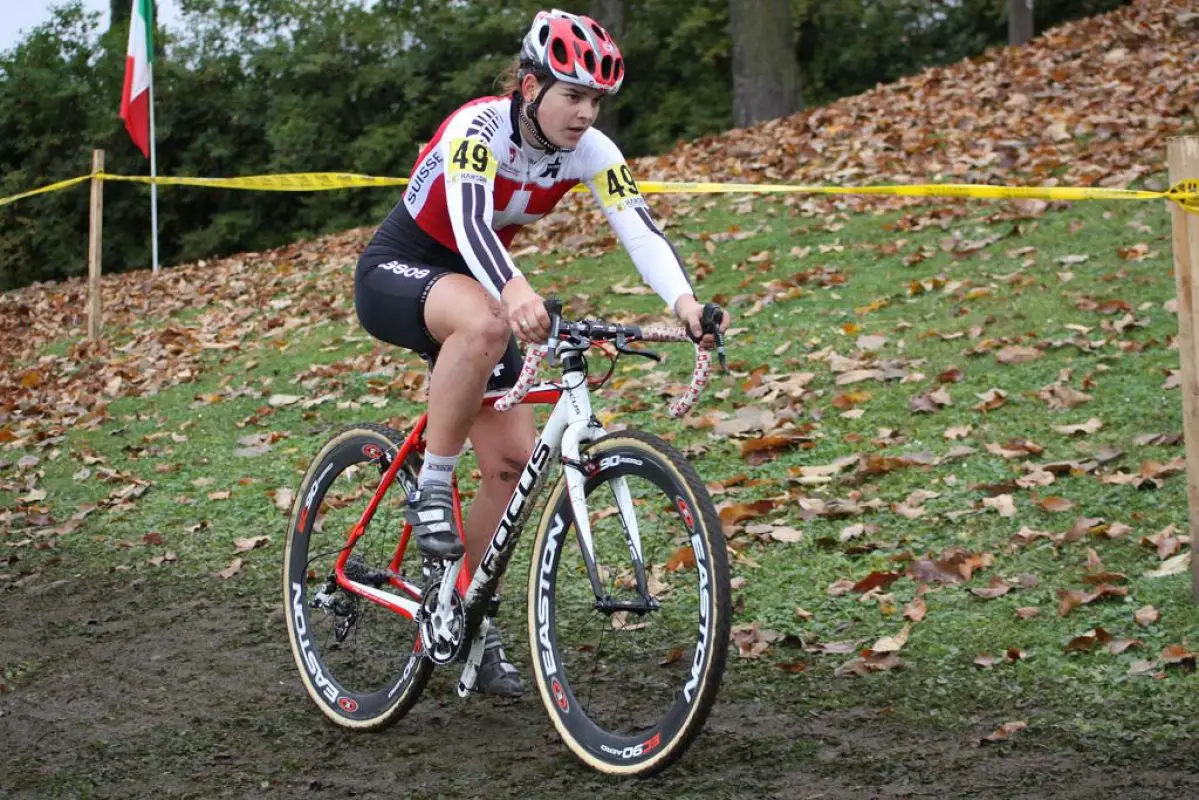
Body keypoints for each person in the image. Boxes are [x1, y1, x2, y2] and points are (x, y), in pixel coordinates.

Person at [353, 8, 731, 698]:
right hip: (399, 271)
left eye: (596, 100)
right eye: (572, 95)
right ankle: (432, 488)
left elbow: (639, 230)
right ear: (529, 85)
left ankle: (462, 616)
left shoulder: (592, 153)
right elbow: (467, 217)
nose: (585, 114)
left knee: (509, 464)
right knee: (491, 323)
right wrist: (516, 287)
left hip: (480, 285)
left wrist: (685, 306)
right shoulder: (478, 128)